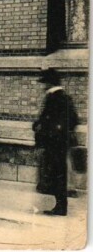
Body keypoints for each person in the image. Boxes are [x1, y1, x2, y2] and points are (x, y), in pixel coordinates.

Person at [33, 69, 79, 216]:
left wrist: (51, 133)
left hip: (55, 144)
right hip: (58, 143)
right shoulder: (63, 97)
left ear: (49, 83)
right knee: (57, 173)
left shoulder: (55, 97)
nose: (43, 86)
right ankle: (60, 205)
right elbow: (73, 120)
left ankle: (60, 206)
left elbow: (53, 120)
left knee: (57, 174)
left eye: (44, 83)